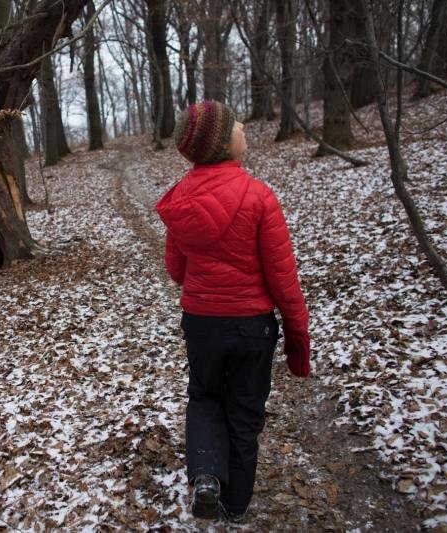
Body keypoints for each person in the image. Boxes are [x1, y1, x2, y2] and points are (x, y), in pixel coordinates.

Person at [155, 100, 311, 522]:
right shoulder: (259, 197)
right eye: (236, 124)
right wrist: (298, 331)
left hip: (202, 323)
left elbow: (175, 270)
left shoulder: (180, 200)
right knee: (244, 411)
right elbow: (282, 276)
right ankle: (235, 507)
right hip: (252, 327)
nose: (244, 125)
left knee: (205, 397)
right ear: (224, 143)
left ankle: (206, 476)